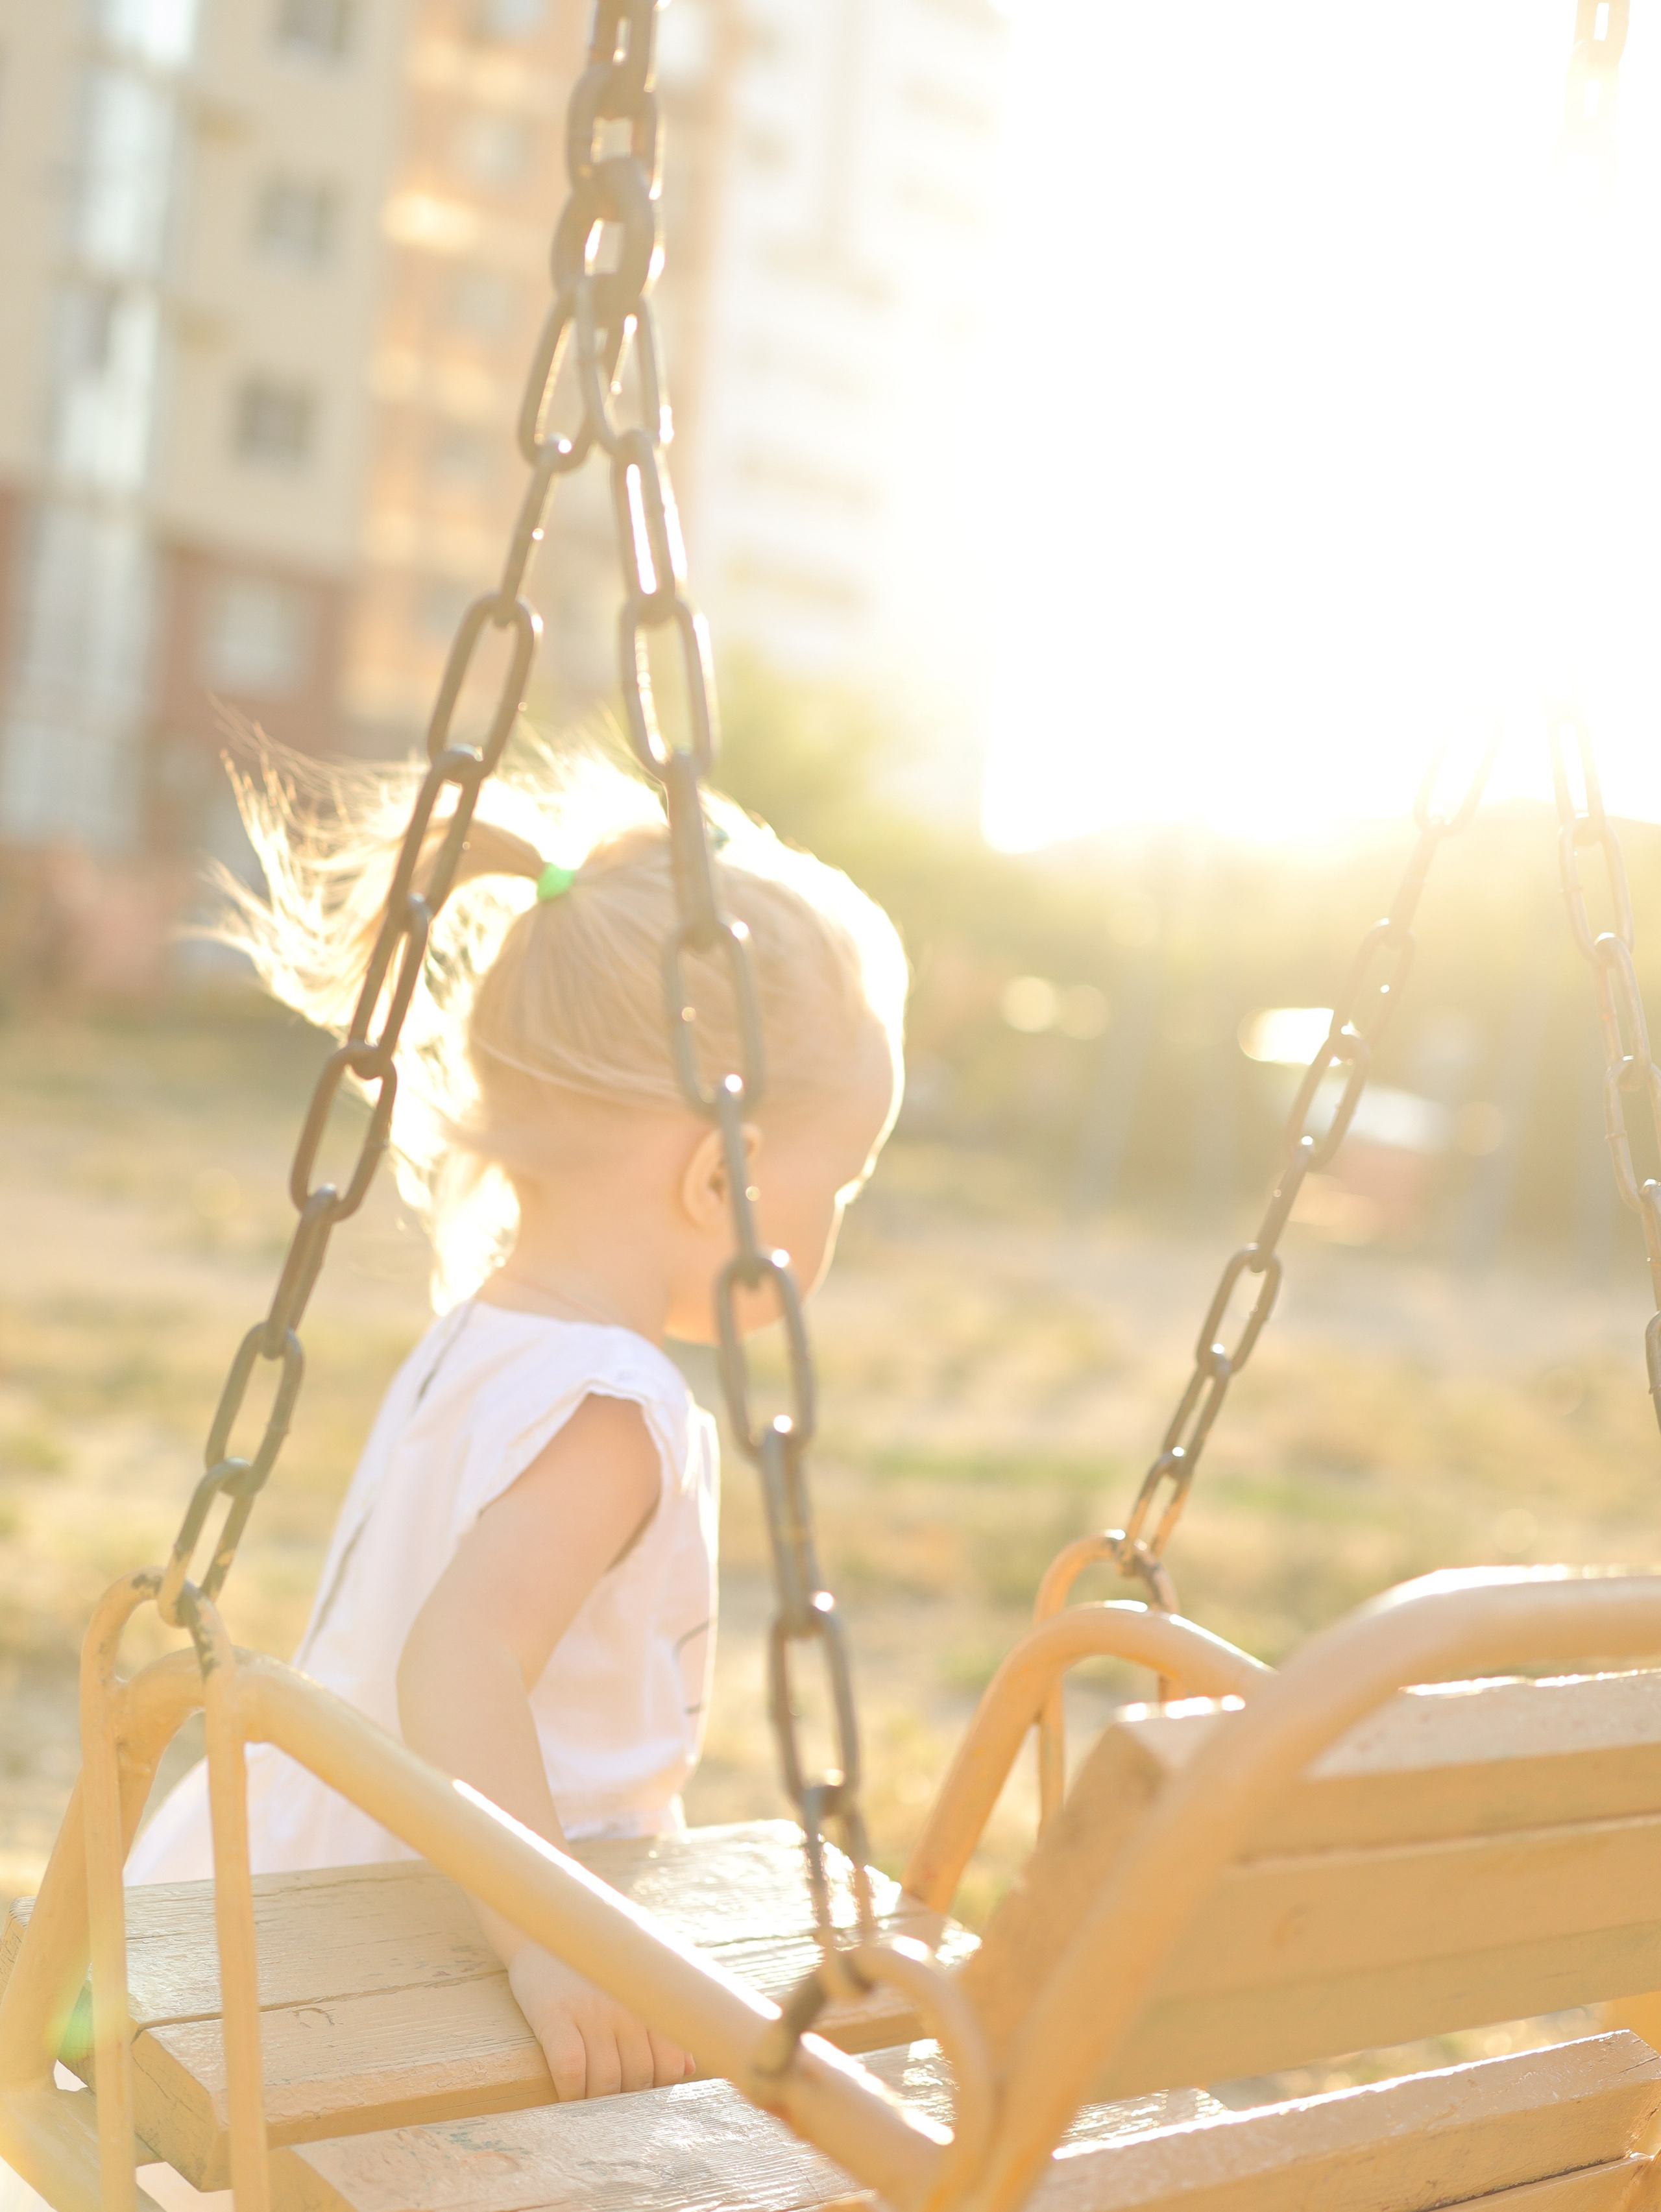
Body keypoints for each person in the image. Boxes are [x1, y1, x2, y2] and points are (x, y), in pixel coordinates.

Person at [127, 738, 906, 2105]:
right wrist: (553, 1947)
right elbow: (458, 1664)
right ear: (715, 1171)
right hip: (427, 1918)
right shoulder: (612, 1406)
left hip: (337, 1855)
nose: (838, 1222)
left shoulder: (486, 1335)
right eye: (840, 1181)